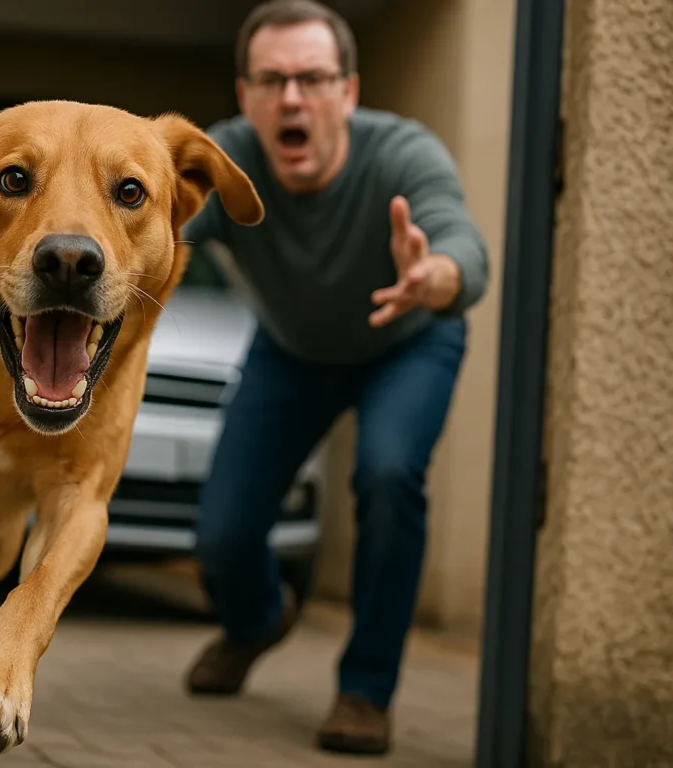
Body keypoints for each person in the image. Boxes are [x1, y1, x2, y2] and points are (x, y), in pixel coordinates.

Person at [180, 0, 488, 757]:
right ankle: (255, 623)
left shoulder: (402, 154)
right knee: (221, 533)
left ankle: (364, 690)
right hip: (291, 350)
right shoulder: (226, 158)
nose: (292, 98)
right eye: (272, 80)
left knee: (388, 476)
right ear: (245, 93)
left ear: (347, 92)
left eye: (313, 79)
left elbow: (463, 248)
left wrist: (434, 274)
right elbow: (150, 230)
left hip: (408, 341)